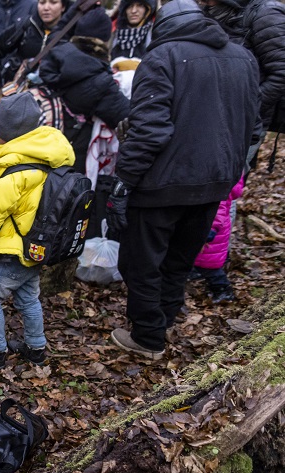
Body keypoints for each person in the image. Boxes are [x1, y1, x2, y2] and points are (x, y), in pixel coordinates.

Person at [106, 0, 259, 359]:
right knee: (179, 258)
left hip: (162, 183)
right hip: (214, 183)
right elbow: (252, 126)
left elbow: (149, 131)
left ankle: (147, 337)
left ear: (160, 23)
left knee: (140, 262)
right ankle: (166, 317)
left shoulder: (162, 58)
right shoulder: (243, 58)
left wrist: (124, 180)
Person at [0, 93, 75, 370]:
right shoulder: (49, 154)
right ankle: (36, 348)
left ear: (7, 134)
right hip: (36, 244)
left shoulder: (15, 170)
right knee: (27, 297)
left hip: (11, 248)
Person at [39, 7, 130, 173]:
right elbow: (128, 117)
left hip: (42, 148)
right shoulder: (100, 82)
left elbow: (59, 29)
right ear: (105, 38)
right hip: (73, 157)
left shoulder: (54, 55)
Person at [199, 0, 285, 169]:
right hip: (209, 118)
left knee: (226, 185)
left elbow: (281, 73)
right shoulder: (203, 13)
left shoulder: (266, 14)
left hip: (245, 124)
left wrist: (247, 109)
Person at [0, 0, 70, 89]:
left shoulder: (72, 31)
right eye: (42, 2)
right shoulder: (27, 26)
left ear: (63, 7)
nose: (46, 8)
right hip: (20, 94)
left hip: (58, 95)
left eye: (53, 2)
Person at [191, 177, 243, 304]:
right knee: (201, 260)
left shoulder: (219, 185)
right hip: (213, 227)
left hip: (212, 230)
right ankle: (196, 272)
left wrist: (210, 232)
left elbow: (218, 210)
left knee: (209, 265)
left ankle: (223, 290)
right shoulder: (227, 173)